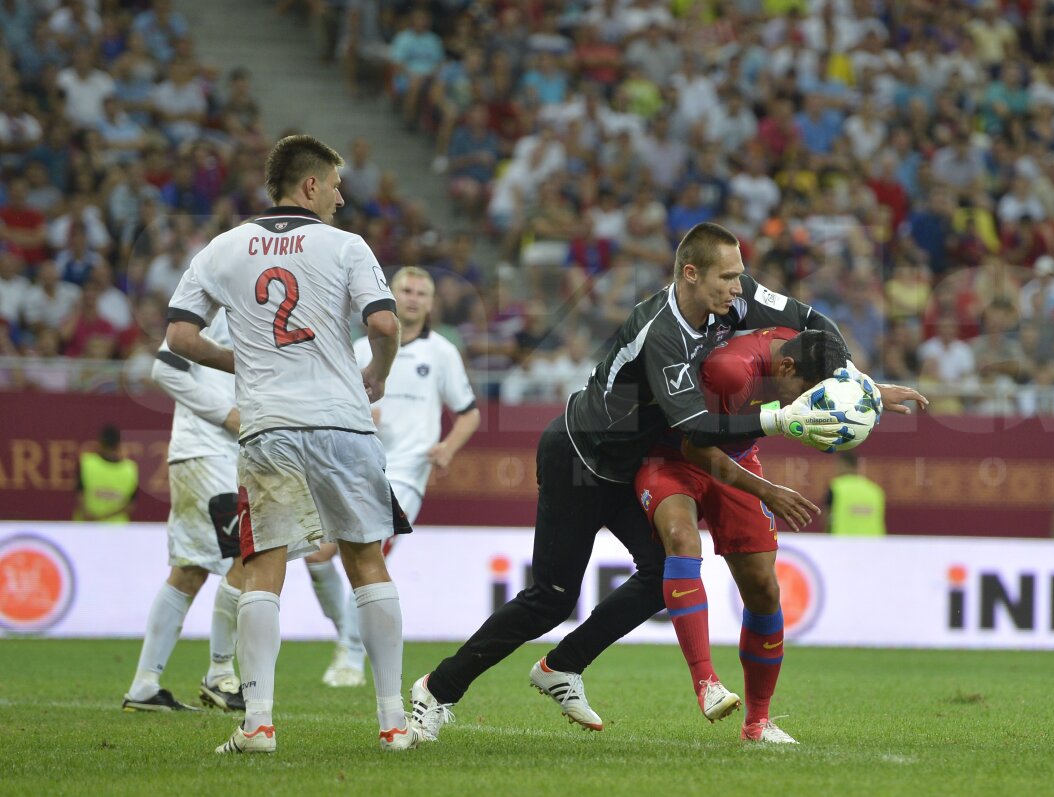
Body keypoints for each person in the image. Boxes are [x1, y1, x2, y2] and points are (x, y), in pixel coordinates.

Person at [410, 221, 855, 741]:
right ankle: (436, 690)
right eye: (729, 277)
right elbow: (696, 428)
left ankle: (563, 666)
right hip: (580, 459)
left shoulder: (735, 298)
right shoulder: (662, 333)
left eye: (741, 276)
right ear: (691, 274)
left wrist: (856, 385)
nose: (741, 288)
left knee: (666, 572)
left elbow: (812, 322)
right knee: (551, 598)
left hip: (626, 465)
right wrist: (779, 419)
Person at [165, 135, 416, 754]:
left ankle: (258, 724)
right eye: (334, 185)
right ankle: (392, 723)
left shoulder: (222, 248)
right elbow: (384, 323)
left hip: (268, 426)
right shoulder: (346, 246)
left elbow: (178, 337)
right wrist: (379, 372)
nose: (339, 195)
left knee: (263, 566)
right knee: (366, 561)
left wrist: (243, 364)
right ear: (309, 186)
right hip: (342, 423)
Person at [636, 329, 923, 743]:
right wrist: (767, 490)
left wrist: (874, 393)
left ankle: (758, 723)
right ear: (786, 367)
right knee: (682, 539)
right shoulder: (731, 372)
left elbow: (824, 376)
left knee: (765, 590)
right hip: (673, 456)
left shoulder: (799, 349)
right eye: (804, 392)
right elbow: (697, 445)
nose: (804, 405)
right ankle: (707, 682)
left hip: (737, 459)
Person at [314, 266, 481, 688]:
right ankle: (347, 637)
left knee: (367, 551)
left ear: (430, 302)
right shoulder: (357, 349)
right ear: (391, 295)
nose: (412, 298)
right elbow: (331, 406)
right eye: (405, 290)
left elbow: (468, 412)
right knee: (318, 557)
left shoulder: (441, 352)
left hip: (406, 472)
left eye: (420, 292)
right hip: (354, 465)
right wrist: (357, 414)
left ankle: (351, 655)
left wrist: (447, 447)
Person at [122, 311, 246, 713]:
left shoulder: (258, 303)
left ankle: (144, 685)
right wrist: (226, 414)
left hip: (223, 453)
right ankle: (220, 674)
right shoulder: (215, 302)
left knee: (189, 570)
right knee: (247, 554)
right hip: (208, 450)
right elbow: (166, 369)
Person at [74, 424, 138, 523]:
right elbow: (130, 505)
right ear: (118, 444)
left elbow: (79, 495)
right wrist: (106, 517)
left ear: (100, 442)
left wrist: (93, 516)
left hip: (87, 528)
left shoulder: (87, 463)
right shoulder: (130, 469)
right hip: (116, 530)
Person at [826, 452, 887, 536]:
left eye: (838, 466)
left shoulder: (836, 487)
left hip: (843, 544)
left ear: (844, 464)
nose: (836, 469)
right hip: (873, 544)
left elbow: (827, 519)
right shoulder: (875, 490)